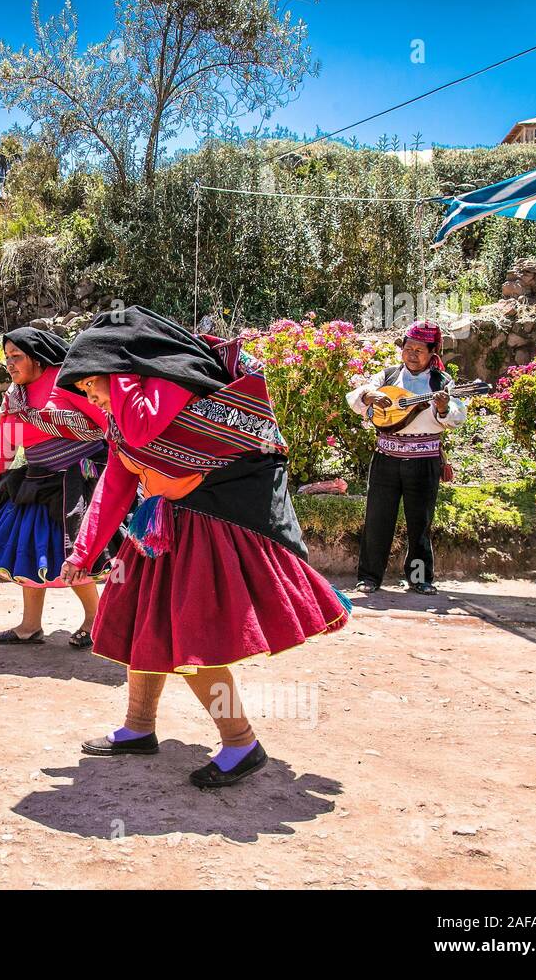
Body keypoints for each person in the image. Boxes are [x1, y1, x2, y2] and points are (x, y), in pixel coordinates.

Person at [57, 306, 351, 789]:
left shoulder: (170, 389)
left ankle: (241, 742)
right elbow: (116, 481)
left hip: (206, 528)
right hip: (159, 530)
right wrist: (83, 553)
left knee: (192, 640)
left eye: (91, 381)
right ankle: (139, 727)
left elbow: (145, 432)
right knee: (146, 629)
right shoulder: (124, 415)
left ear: (121, 368)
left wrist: (125, 379)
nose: (88, 394)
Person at [0, 327, 123, 647]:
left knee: (70, 551)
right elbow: (4, 447)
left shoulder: (66, 382)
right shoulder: (14, 398)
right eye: (6, 358)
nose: (10, 364)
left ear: (38, 357)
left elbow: (107, 422)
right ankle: (30, 625)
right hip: (36, 481)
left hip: (76, 484)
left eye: (17, 356)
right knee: (31, 551)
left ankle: (94, 618)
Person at [346, 321, 468, 596]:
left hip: (424, 461)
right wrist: (370, 395)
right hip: (386, 457)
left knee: (419, 523)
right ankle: (369, 577)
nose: (412, 354)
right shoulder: (388, 377)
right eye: (408, 348)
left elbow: (457, 417)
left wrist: (444, 406)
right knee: (377, 518)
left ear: (432, 352)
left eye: (419, 350)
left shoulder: (441, 382)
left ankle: (419, 578)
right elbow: (355, 398)